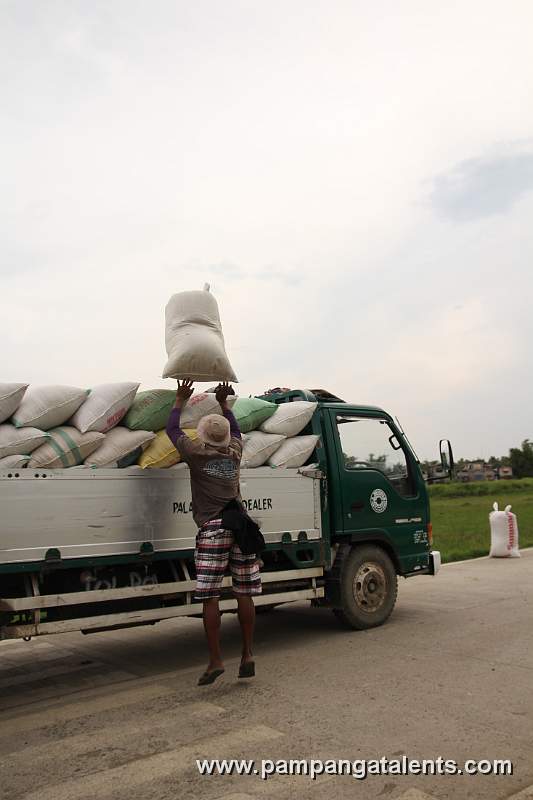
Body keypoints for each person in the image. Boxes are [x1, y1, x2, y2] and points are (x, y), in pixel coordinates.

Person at [166, 380, 262, 685]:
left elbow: (172, 431)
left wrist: (180, 400)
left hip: (212, 529)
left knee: (210, 596)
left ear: (204, 435)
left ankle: (216, 661)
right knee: (244, 592)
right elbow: (235, 431)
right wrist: (224, 404)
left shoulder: (196, 454)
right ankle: (247, 654)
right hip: (240, 526)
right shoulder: (234, 452)